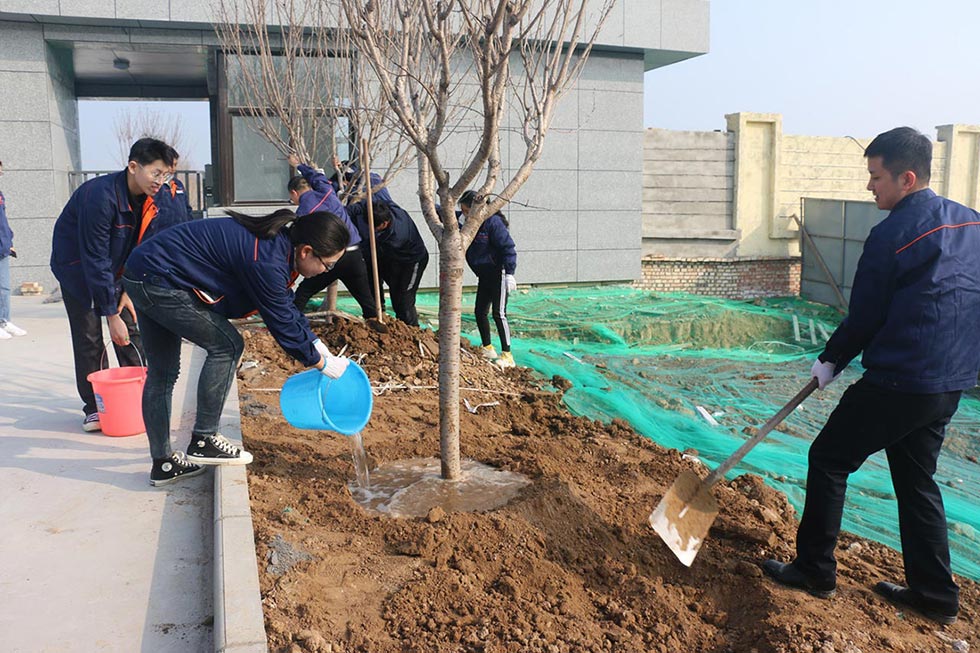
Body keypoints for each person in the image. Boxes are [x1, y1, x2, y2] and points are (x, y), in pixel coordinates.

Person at [761, 127, 980, 626]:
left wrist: (830, 360)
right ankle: (936, 596)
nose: (869, 187)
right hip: (950, 383)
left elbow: (865, 315)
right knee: (915, 478)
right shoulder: (972, 224)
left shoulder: (892, 234)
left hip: (902, 380)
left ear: (906, 178)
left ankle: (814, 570)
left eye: (875, 177)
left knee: (829, 458)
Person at [122, 208, 351, 487]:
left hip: (143, 271)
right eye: (327, 265)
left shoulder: (277, 247)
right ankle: (204, 439)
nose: (326, 271)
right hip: (160, 280)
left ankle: (163, 463)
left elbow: (284, 303)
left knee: (163, 372)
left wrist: (316, 344)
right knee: (227, 345)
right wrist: (320, 362)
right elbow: (280, 321)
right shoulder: (266, 259)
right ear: (306, 251)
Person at [50, 138, 180, 432]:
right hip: (77, 268)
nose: (161, 181)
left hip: (117, 266)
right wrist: (110, 314)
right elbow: (94, 258)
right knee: (89, 335)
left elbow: (145, 249)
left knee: (130, 328)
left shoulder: (153, 200)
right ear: (134, 167)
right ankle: (95, 407)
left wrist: (128, 290)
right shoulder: (100, 196)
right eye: (156, 173)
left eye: (166, 175)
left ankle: (145, 397)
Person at [286, 154, 378, 319]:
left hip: (329, 258)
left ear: (294, 193)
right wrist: (299, 165)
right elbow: (317, 176)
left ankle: (291, 323)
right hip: (354, 253)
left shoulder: (304, 213)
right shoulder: (327, 191)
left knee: (304, 291)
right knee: (366, 300)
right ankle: (376, 327)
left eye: (291, 197)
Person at [458, 190, 518, 368]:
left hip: (497, 273)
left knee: (499, 313)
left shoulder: (493, 223)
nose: (464, 214)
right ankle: (487, 347)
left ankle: (507, 355)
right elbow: (444, 213)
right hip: (483, 275)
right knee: (479, 311)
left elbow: (508, 247)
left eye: (466, 211)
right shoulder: (467, 221)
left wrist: (509, 273)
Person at [348, 199, 429, 326]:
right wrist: (343, 212)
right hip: (394, 258)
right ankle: (380, 312)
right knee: (386, 286)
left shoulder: (397, 235)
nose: (371, 229)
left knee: (403, 299)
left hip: (412, 261)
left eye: (374, 227)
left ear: (384, 223)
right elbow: (366, 203)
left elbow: (369, 246)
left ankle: (412, 329)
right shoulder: (387, 207)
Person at [0, 158, 27, 340]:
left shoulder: (0, 195)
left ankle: (4, 320)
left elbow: (3, 221)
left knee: (4, 287)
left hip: (2, 246)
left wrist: (9, 239)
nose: (1, 174)